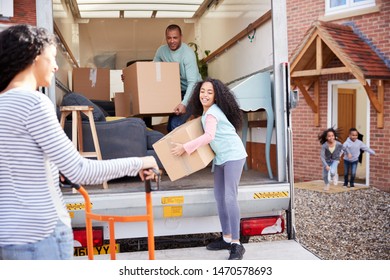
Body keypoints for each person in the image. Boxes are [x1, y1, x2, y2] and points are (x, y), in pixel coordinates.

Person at [0, 24, 159, 260]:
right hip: (42, 236)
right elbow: (81, 171)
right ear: (34, 56)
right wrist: (141, 162)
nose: (55, 67)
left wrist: (52, 172)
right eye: (52, 58)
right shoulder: (34, 103)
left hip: (8, 238)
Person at [170, 78, 247, 260]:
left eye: (209, 92)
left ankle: (236, 243)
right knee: (219, 197)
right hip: (221, 158)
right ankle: (227, 238)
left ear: (216, 96)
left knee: (229, 197)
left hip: (234, 156)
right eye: (202, 91)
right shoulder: (206, 113)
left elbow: (209, 136)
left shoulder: (212, 113)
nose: (205, 95)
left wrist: (185, 147)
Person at [154, 24, 202, 132]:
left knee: (175, 124)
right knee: (169, 126)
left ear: (181, 37)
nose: (172, 41)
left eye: (175, 37)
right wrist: (130, 77)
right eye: (169, 38)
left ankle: (183, 148)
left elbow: (193, 83)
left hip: (194, 90)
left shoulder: (187, 54)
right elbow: (152, 70)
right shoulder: (161, 51)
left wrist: (184, 103)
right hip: (177, 91)